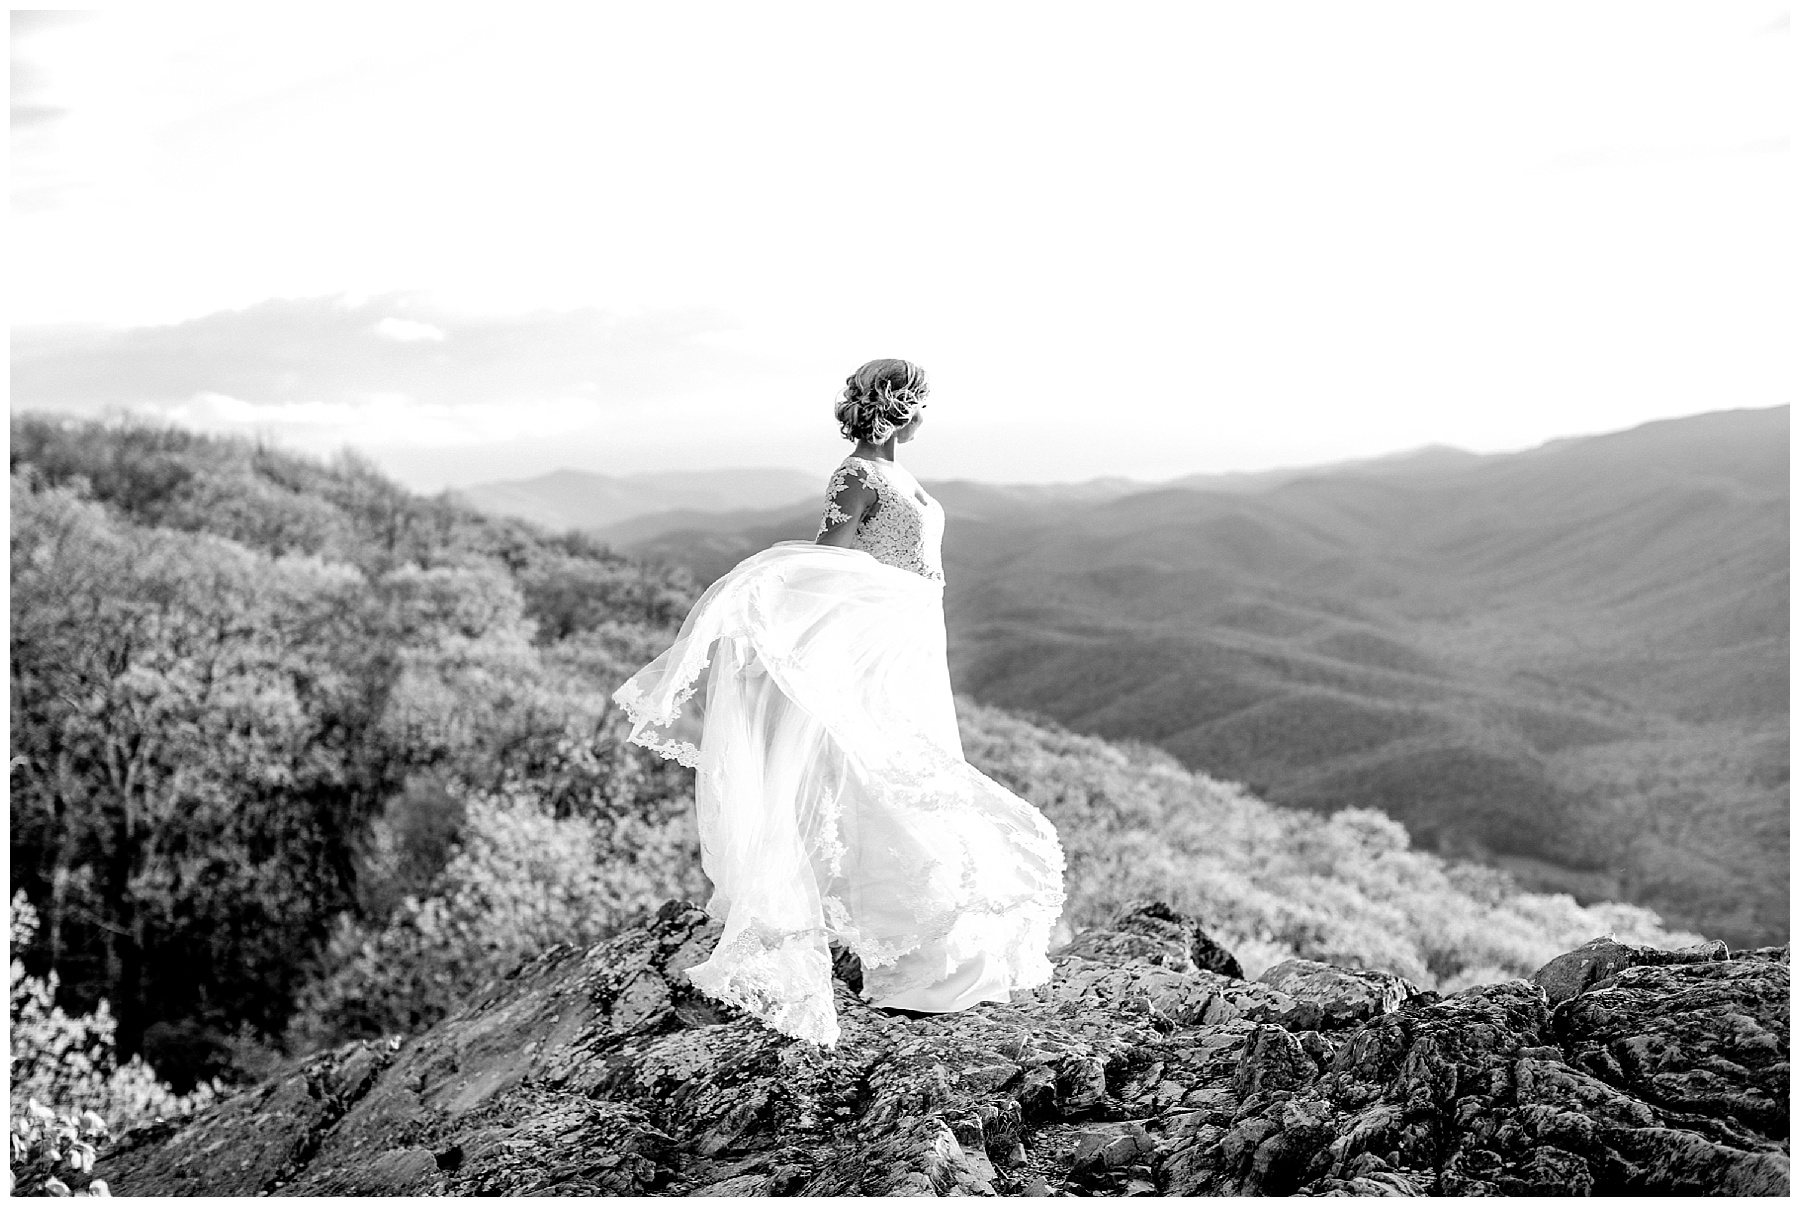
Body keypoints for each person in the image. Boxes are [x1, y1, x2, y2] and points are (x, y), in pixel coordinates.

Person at [612, 358, 1065, 1046]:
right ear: (899, 408)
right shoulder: (855, 475)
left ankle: (931, 944)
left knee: (915, 768)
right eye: (921, 405)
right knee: (886, 775)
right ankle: (915, 957)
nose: (926, 417)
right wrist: (778, 635)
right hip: (877, 647)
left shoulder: (896, 474)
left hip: (911, 639)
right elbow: (828, 562)